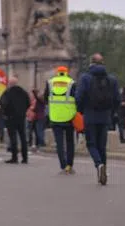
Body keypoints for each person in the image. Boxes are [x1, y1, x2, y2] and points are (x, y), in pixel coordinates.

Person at [75, 53, 119, 186]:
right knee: (102, 145)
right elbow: (116, 98)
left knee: (91, 144)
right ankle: (103, 169)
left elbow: (79, 96)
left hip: (90, 115)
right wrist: (111, 112)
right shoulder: (112, 79)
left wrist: (81, 111)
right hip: (105, 116)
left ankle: (99, 165)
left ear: (91, 63)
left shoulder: (85, 78)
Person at [45, 65, 77, 174]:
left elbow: (45, 98)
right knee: (70, 142)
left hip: (54, 117)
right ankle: (69, 165)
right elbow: (77, 99)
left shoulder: (50, 83)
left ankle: (63, 165)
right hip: (69, 116)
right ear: (67, 72)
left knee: (59, 143)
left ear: (57, 72)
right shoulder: (71, 83)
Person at [0, 76, 31, 165]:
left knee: (13, 138)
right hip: (21, 117)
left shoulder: (7, 93)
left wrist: (5, 113)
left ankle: (14, 157)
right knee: (23, 137)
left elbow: (4, 104)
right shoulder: (23, 92)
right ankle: (25, 158)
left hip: (10, 117)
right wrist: (23, 111)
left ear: (10, 84)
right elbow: (28, 103)